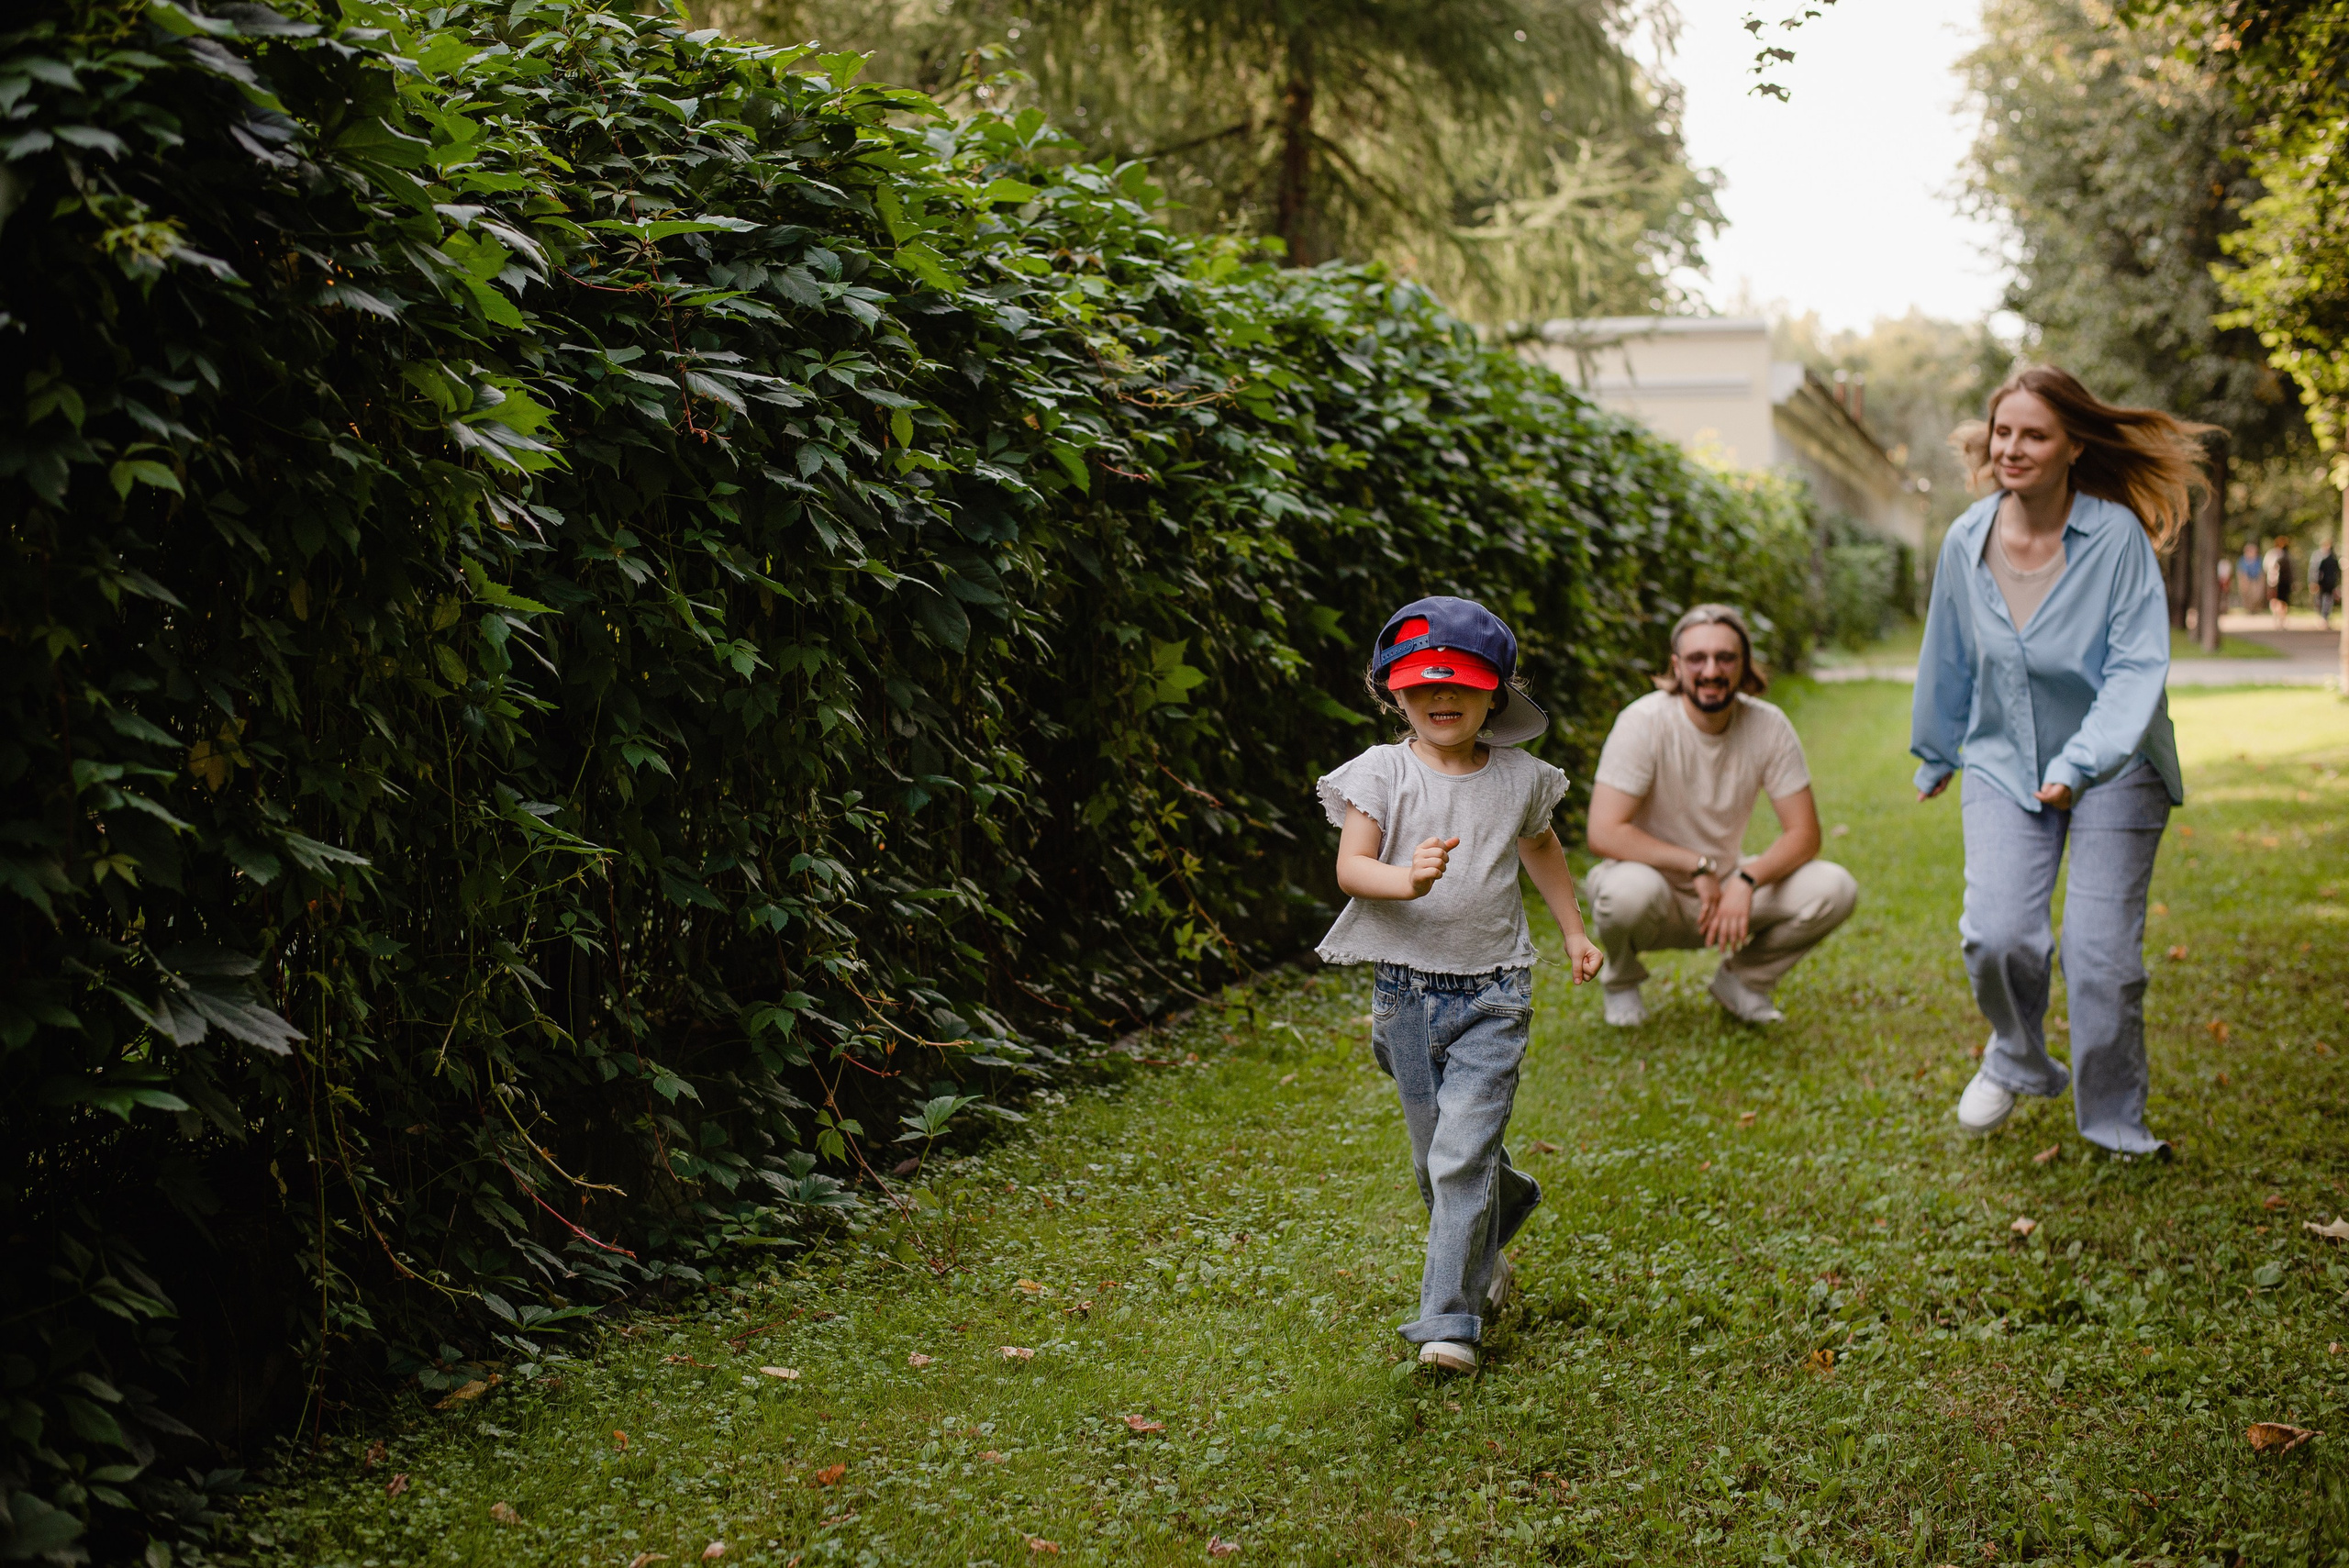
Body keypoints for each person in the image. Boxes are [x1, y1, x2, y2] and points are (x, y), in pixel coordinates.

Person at [1912, 364, 2205, 1155]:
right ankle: (2014, 1053)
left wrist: (2080, 762)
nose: (2012, 447)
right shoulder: (1966, 538)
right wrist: (1937, 749)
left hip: (2117, 766)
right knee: (1999, 934)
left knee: (2101, 955)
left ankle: (2114, 1116)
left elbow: (2137, 668)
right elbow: (1948, 654)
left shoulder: (2116, 539)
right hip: (2005, 763)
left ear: (2074, 444)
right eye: (2003, 431)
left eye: (2034, 434)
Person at [1316, 595, 1603, 1374]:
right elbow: (1352, 867)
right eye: (1423, 685)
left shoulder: (1519, 778)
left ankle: (1450, 1322)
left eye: (1463, 685)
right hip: (1405, 997)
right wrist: (1404, 879)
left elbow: (1542, 850)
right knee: (1438, 1164)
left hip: (1493, 995)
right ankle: (1500, 1211)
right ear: (1394, 692)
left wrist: (1574, 930)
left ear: (1496, 693)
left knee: (1456, 1160)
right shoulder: (1380, 772)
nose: (1442, 698)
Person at [1581, 605, 1857, 1027]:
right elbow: (1603, 832)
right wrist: (1695, 864)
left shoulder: (1769, 725)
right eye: (1697, 659)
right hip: (1655, 889)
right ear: (1677, 666)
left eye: (1725, 658)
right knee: (1624, 895)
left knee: (1835, 888)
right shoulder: (1642, 722)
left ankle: (1743, 981)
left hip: (1728, 891)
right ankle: (1620, 983)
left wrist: (1747, 880)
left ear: (1744, 665)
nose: (1711, 670)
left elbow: (1804, 835)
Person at [2265, 535, 2296, 628]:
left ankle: (2280, 618)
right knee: (2278, 600)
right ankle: (2279, 618)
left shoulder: (2284, 555)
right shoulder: (2276, 555)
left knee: (2282, 601)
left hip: (2280, 581)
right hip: (2275, 582)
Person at [2316, 539, 2341, 630]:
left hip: (2325, 584)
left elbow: (2319, 573)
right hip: (2331, 584)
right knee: (2328, 601)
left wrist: (2318, 583)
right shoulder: (2334, 560)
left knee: (2324, 601)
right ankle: (2325, 619)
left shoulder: (2324, 560)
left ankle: (2324, 619)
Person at [2237, 541, 2264, 615]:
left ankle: (2254, 609)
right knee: (2247, 595)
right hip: (2246, 580)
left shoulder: (2258, 560)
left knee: (2256, 596)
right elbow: (2241, 572)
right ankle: (2249, 610)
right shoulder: (2243, 560)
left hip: (2255, 580)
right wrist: (2243, 582)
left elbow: (2260, 571)